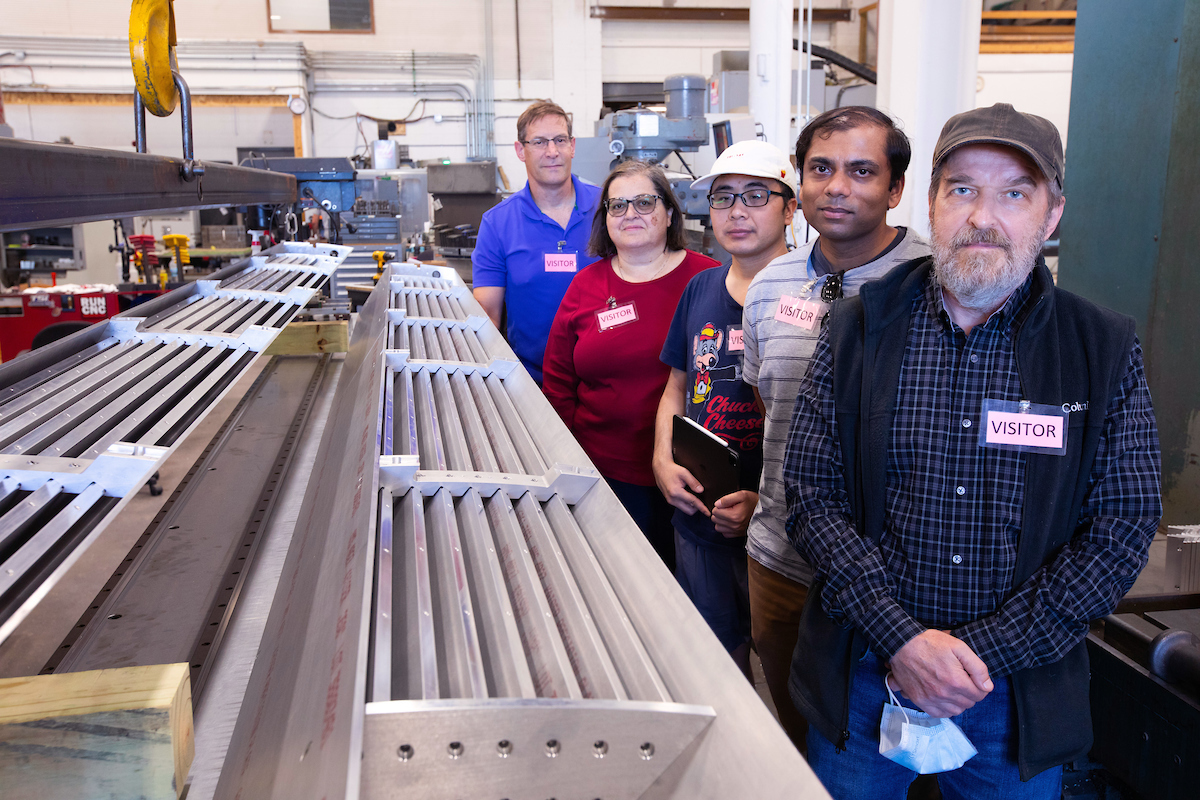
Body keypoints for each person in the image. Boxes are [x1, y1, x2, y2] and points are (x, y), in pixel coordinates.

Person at [783, 103, 1161, 798]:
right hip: (867, 675)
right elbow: (811, 495)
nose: (983, 216)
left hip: (1015, 696)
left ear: (1051, 216)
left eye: (1014, 193)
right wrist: (902, 639)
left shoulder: (1100, 348)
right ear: (931, 202)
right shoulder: (858, 328)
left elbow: (1122, 526)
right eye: (962, 189)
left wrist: (974, 656)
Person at [741, 107, 929, 751]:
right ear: (801, 182)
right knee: (805, 748)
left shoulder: (935, 285)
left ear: (895, 189)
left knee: (906, 759)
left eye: (861, 171)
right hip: (783, 563)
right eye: (821, 169)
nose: (837, 186)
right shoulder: (770, 286)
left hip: (902, 584)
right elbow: (773, 411)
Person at [654, 140, 797, 676]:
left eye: (757, 195)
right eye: (723, 197)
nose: (737, 211)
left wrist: (762, 500)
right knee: (718, 656)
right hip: (698, 515)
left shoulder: (817, 298)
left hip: (781, 531)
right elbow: (676, 387)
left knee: (784, 668)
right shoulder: (699, 290)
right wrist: (662, 462)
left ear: (790, 208)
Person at [543, 162, 719, 570]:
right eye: (617, 206)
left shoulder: (708, 279)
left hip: (691, 478)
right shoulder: (587, 284)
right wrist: (571, 459)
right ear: (605, 219)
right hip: (602, 473)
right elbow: (558, 381)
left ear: (670, 213)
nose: (630, 214)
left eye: (644, 202)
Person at [472, 100, 602, 383]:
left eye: (559, 140)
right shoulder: (497, 224)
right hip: (531, 384)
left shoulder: (608, 208)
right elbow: (487, 316)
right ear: (521, 151)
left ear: (573, 146)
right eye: (540, 142)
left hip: (606, 381)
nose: (552, 151)